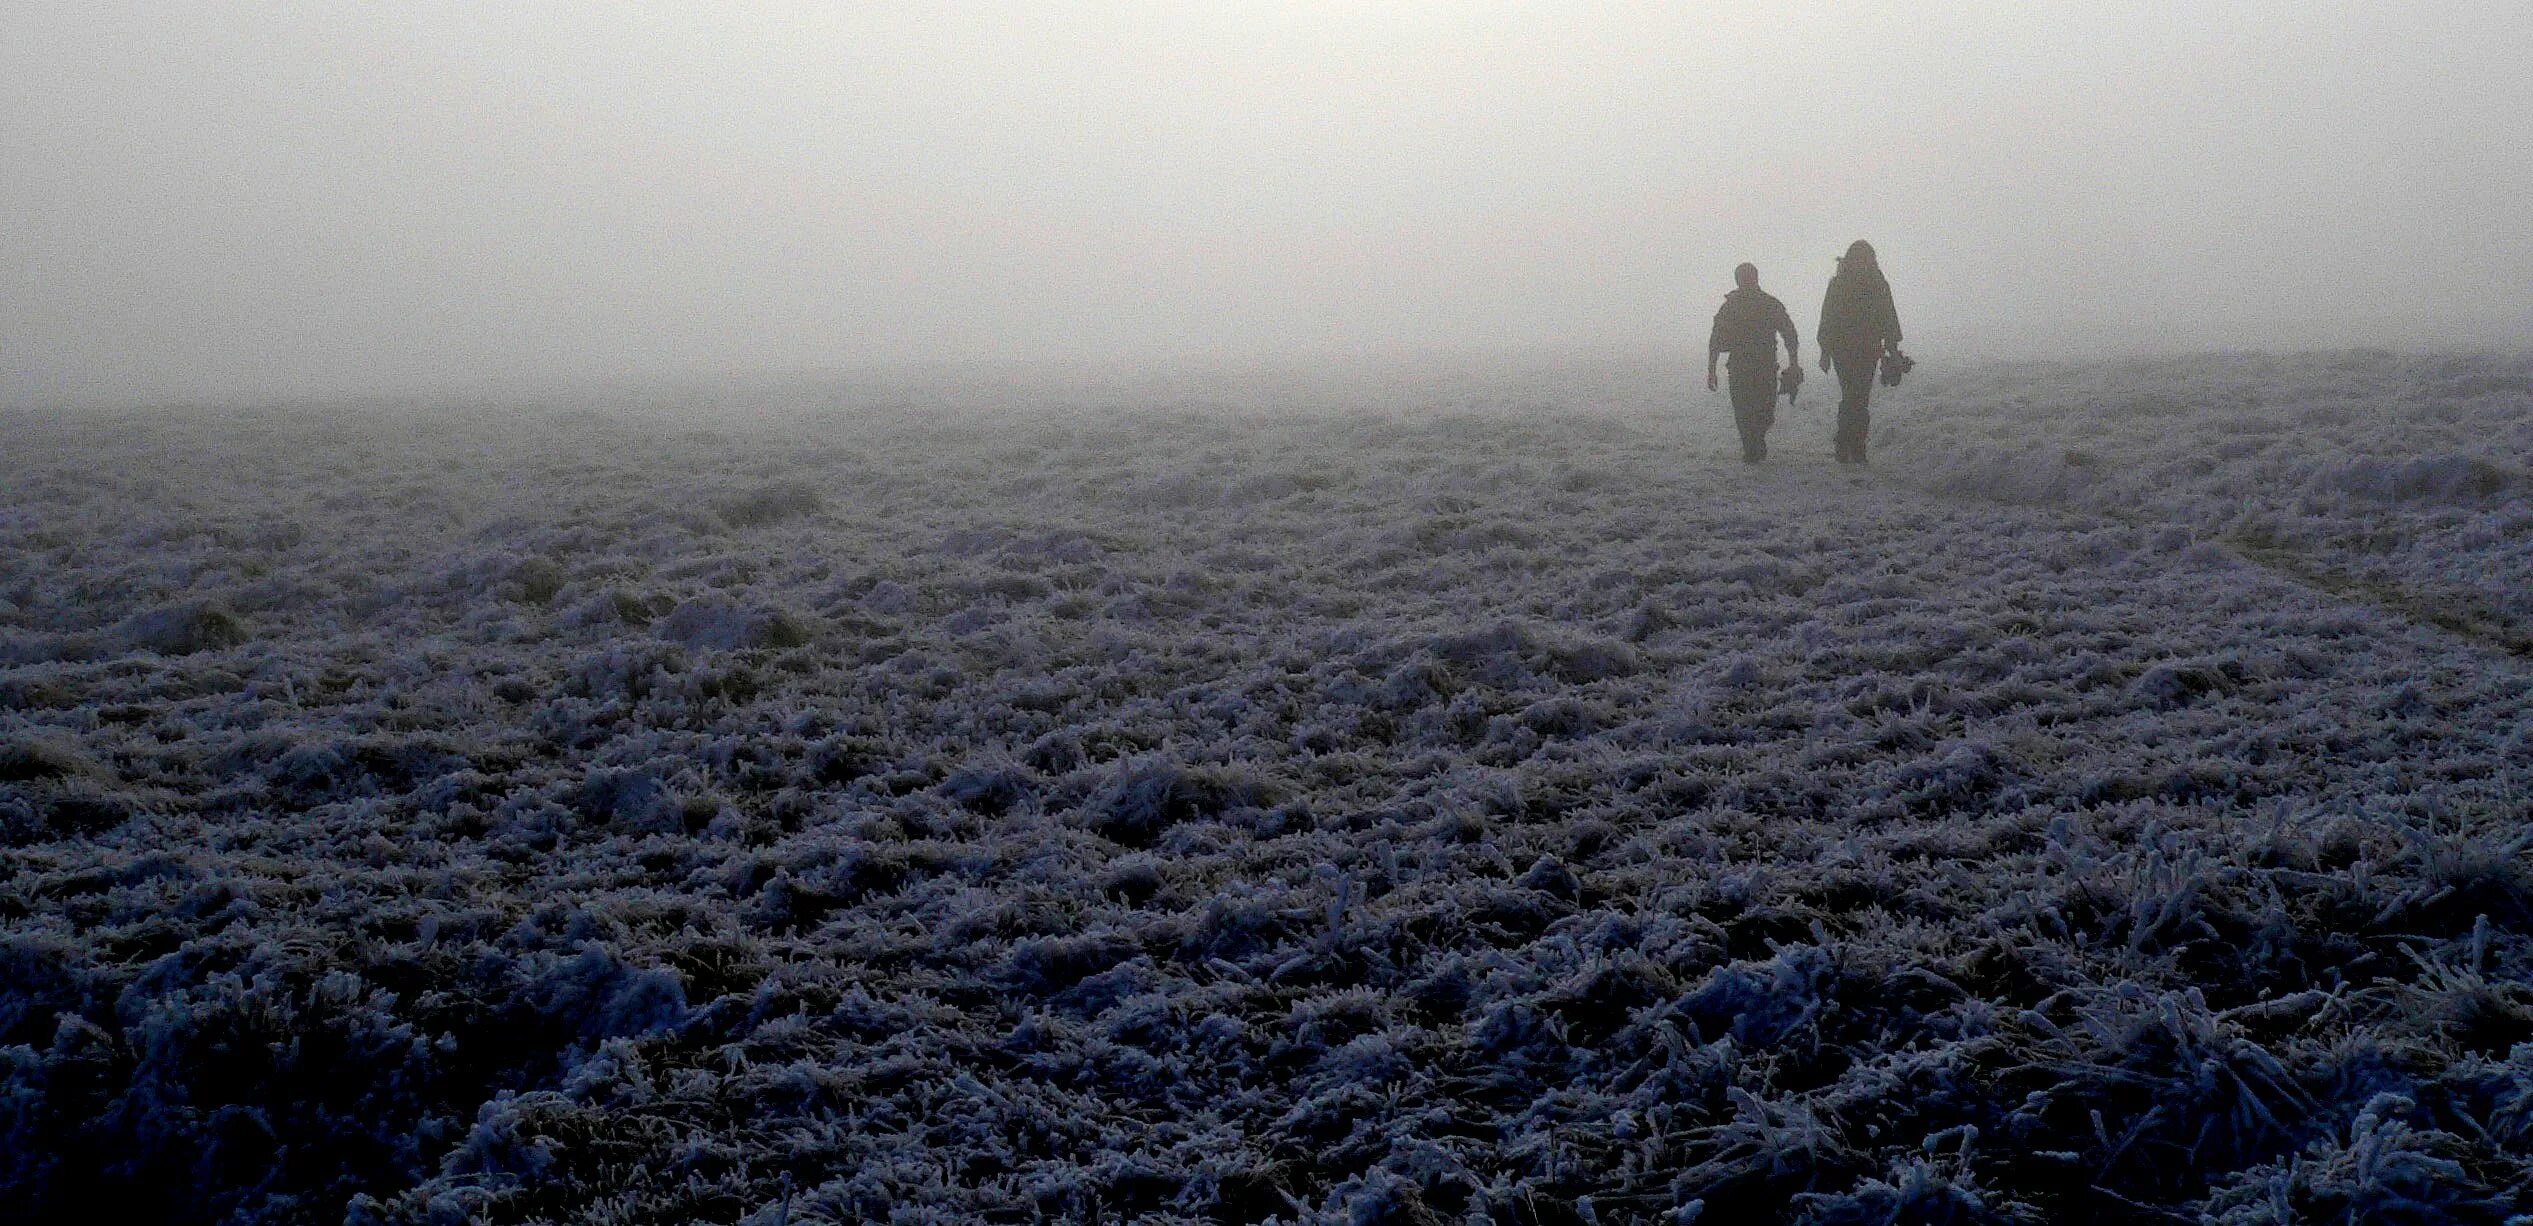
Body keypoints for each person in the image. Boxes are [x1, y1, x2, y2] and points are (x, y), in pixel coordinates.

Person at [1816, 240, 1904, 465]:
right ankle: (1851, 444)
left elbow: (1888, 316)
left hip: (1868, 349)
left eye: (1867, 257)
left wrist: (1893, 349)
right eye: (1860, 257)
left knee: (1859, 398)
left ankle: (1851, 443)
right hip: (1842, 350)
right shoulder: (1838, 285)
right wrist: (1825, 351)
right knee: (1852, 395)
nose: (1863, 262)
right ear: (1851, 259)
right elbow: (1828, 317)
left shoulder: (1879, 284)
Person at [1707, 263, 1800, 463]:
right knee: (1743, 411)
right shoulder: (1730, 307)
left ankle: (1755, 441)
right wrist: (1711, 369)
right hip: (1740, 367)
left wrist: (1794, 363)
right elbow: (1715, 339)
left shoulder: (1769, 304)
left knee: (1765, 411)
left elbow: (1789, 333)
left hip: (1764, 367)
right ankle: (1752, 448)